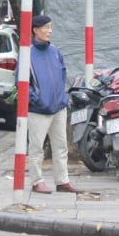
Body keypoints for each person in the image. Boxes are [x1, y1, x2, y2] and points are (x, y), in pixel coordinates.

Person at [27, 15, 81, 194]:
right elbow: (22, 83)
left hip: (58, 107)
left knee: (61, 146)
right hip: (39, 109)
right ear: (35, 30)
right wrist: (37, 99)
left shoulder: (55, 51)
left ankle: (62, 181)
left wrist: (62, 97)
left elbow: (62, 75)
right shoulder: (27, 53)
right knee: (36, 147)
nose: (50, 31)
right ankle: (37, 181)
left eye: (51, 27)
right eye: (46, 27)